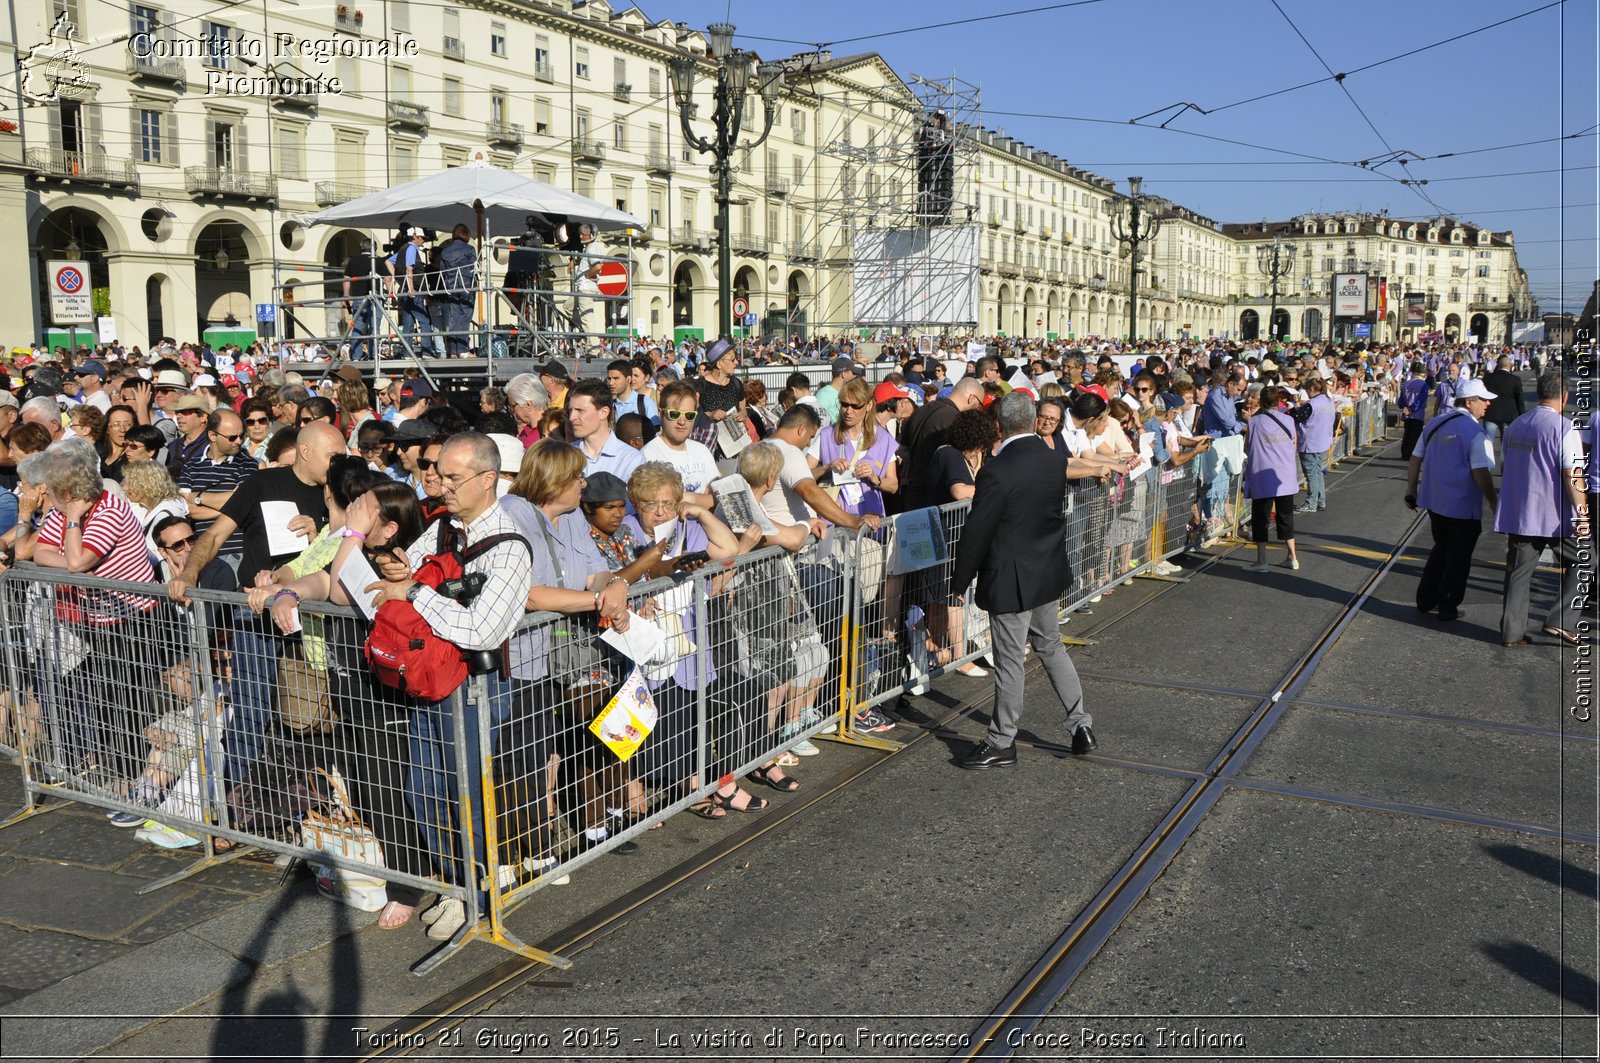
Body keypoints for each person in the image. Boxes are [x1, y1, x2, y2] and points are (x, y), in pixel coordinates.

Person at [347, 432, 537, 940]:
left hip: (476, 688)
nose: (439, 483)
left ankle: (476, 893)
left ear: (488, 479)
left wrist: (412, 591)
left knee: (463, 793)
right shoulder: (442, 526)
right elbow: (416, 573)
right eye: (438, 473)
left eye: (453, 477)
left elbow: (483, 630)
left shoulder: (510, 548)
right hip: (432, 680)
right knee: (425, 788)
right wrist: (399, 570)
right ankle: (458, 885)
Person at [167, 422, 344, 787]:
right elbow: (215, 535)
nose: (338, 463)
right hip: (256, 614)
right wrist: (189, 575)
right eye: (333, 456)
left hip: (313, 620)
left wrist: (320, 528)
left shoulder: (338, 492)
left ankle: (303, 796)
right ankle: (235, 795)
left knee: (312, 711)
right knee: (251, 706)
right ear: (306, 451)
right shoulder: (261, 484)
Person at [951, 393, 1093, 769]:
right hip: (1045, 570)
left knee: (1010, 660)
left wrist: (959, 579)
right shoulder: (1053, 459)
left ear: (999, 424)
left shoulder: (997, 470)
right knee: (1051, 647)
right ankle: (1080, 725)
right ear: (1033, 421)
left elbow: (978, 531)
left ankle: (1001, 741)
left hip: (1011, 576)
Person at [1495, 372, 1588, 647]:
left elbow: (1504, 466)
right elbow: (1573, 474)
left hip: (1522, 513)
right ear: (1565, 396)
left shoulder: (1516, 425)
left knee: (1518, 572)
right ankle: (1561, 620)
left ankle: (1511, 633)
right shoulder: (1564, 428)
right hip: (1555, 516)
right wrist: (1583, 515)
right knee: (1586, 559)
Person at [1405, 378, 1498, 623]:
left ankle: (1426, 598)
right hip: (1463, 505)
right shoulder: (1475, 433)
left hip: (1435, 502)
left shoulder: (1435, 423)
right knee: (1458, 558)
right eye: (1483, 400)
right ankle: (1447, 604)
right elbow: (1481, 473)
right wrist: (1493, 501)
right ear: (1470, 402)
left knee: (1441, 549)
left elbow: (1415, 458)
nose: (1487, 404)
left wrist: (1411, 489)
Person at [1243, 385, 1301, 573]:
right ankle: (1292, 556)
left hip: (1262, 475)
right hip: (1283, 475)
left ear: (1261, 401)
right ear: (1278, 402)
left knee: (1261, 518)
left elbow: (1247, 447)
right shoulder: (1289, 420)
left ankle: (1262, 560)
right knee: (1286, 516)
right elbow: (1294, 444)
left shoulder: (1254, 422)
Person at [640, 381, 718, 508]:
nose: (682, 421)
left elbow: (716, 500)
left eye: (689, 415)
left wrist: (683, 497)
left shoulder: (702, 451)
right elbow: (659, 506)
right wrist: (702, 500)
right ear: (661, 415)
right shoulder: (648, 455)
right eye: (674, 414)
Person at [566, 378, 643, 481]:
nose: (572, 417)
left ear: (603, 412)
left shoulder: (631, 460)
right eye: (570, 410)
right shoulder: (565, 455)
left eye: (580, 410)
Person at [1295, 376, 1339, 514]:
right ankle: (1320, 501)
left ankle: (1311, 502)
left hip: (1311, 442)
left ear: (1312, 389)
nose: (1306, 393)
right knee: (1318, 471)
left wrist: (1292, 409)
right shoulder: (1328, 401)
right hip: (1323, 441)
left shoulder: (1311, 404)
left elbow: (1298, 417)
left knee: (1311, 474)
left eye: (1307, 390)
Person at [437, 223, 478, 357]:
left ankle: (453, 350)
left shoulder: (445, 251)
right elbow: (474, 269)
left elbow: (442, 271)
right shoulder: (469, 249)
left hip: (451, 286)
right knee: (464, 317)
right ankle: (462, 350)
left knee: (454, 317)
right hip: (467, 285)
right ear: (466, 235)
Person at [342, 241, 380, 361]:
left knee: (358, 327)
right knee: (374, 327)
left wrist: (346, 295)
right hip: (375, 297)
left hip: (358, 297)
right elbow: (388, 278)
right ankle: (373, 356)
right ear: (374, 248)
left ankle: (356, 357)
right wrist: (390, 294)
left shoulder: (353, 261)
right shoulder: (377, 260)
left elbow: (346, 278)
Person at [1481, 354, 1525, 447]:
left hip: (1490, 413)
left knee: (1487, 443)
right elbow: (1519, 399)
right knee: (1506, 445)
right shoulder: (1515, 379)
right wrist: (1522, 415)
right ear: (1510, 366)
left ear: (1498, 365)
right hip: (1508, 414)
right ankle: (1504, 461)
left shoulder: (1488, 377)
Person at [1399, 361, 1431, 460]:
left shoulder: (1406, 384)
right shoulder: (1424, 385)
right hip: (1418, 413)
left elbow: (1401, 399)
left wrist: (1405, 407)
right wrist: (1412, 408)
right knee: (1415, 434)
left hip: (1406, 413)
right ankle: (1412, 454)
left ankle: (1404, 453)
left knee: (1407, 433)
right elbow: (1420, 399)